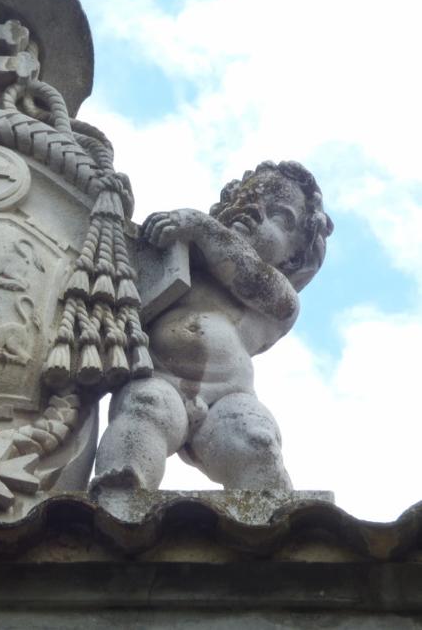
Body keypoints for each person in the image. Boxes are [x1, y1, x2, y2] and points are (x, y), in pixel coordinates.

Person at [93, 161, 332, 494]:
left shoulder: (280, 297)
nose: (252, 211)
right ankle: (122, 492)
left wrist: (201, 227)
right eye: (246, 199)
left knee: (255, 440)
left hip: (229, 397)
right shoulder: (175, 263)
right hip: (159, 379)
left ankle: (273, 513)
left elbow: (246, 274)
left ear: (293, 260)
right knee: (143, 412)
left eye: (278, 216)